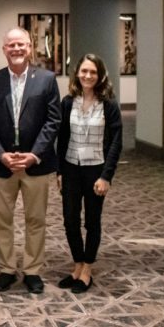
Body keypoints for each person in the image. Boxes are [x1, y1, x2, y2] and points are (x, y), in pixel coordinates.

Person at [0, 27, 61, 294]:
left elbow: (53, 120)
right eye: (11, 45)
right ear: (4, 50)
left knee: (35, 219)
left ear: (30, 47)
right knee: (2, 220)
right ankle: (6, 268)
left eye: (21, 45)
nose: (16, 49)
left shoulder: (47, 80)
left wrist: (34, 154)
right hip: (2, 164)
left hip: (35, 164)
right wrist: (1, 154)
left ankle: (32, 270)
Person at [56, 54, 122, 294]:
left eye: (93, 72)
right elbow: (61, 139)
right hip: (71, 167)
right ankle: (77, 264)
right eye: (84, 71)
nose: (87, 76)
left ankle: (87, 268)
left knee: (92, 222)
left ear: (100, 75)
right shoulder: (67, 102)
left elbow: (116, 142)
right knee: (70, 220)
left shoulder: (109, 104)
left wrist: (107, 176)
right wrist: (59, 171)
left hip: (96, 169)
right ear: (77, 73)